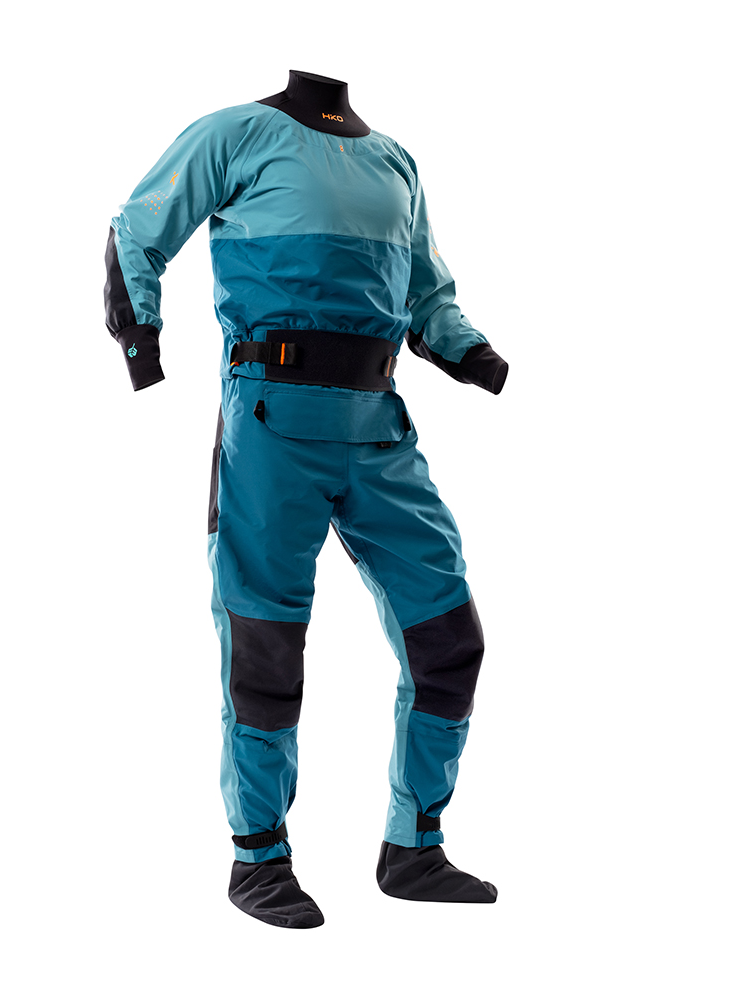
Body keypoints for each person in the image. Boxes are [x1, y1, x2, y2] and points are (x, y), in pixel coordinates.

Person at [103, 69, 508, 928]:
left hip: (378, 429)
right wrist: (142, 344)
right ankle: (258, 860)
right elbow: (136, 229)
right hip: (269, 428)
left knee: (449, 640)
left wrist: (473, 354)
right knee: (265, 649)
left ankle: (414, 848)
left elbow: (427, 294)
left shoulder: (395, 160)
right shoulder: (234, 133)